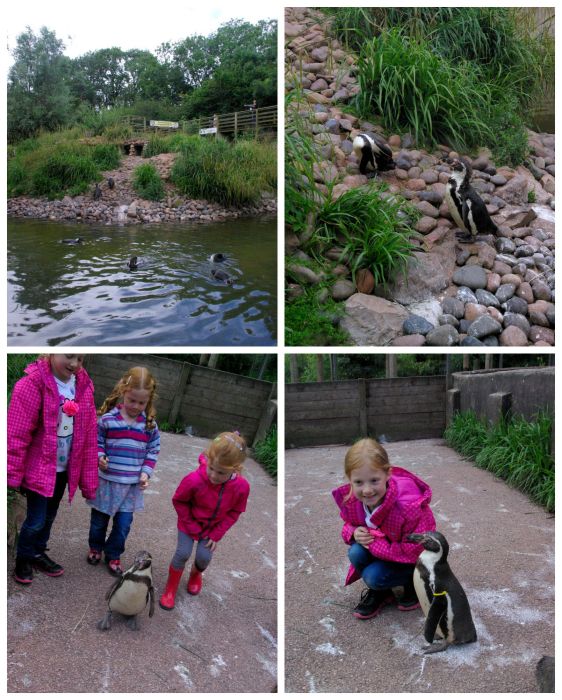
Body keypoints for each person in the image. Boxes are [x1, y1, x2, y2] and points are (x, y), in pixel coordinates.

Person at [8, 354, 98, 584]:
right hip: (39, 468)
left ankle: (38, 551)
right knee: (36, 519)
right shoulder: (33, 384)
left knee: (49, 516)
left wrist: (89, 481)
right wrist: (12, 472)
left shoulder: (83, 386)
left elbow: (88, 436)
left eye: (80, 358)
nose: (75, 364)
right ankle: (24, 557)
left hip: (63, 469)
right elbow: (16, 432)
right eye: (69, 356)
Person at [332, 438, 436, 620]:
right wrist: (353, 533)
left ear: (388, 474)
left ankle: (414, 584)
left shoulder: (407, 506)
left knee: (372, 576)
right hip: (386, 552)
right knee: (355, 552)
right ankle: (382, 592)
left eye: (374, 480)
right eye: (358, 482)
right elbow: (348, 524)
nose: (367, 490)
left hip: (411, 560)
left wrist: (374, 544)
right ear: (350, 479)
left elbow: (416, 549)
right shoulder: (352, 500)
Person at [159, 431, 250, 610]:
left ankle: (195, 574)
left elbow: (235, 512)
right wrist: (191, 526)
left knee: (204, 557)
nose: (214, 476)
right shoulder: (194, 479)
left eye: (222, 473)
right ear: (207, 458)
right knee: (182, 553)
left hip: (211, 530)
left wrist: (216, 534)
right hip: (189, 523)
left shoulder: (241, 487)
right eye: (211, 468)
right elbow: (179, 500)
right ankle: (171, 588)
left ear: (236, 469)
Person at [87, 367, 160, 576]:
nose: (136, 406)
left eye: (141, 402)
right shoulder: (108, 419)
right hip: (107, 481)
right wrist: (99, 456)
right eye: (132, 400)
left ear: (148, 401)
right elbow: (97, 441)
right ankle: (95, 547)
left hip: (130, 486)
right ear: (123, 392)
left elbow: (153, 449)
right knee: (98, 522)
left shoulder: (149, 426)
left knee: (123, 525)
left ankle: (114, 554)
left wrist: (146, 472)